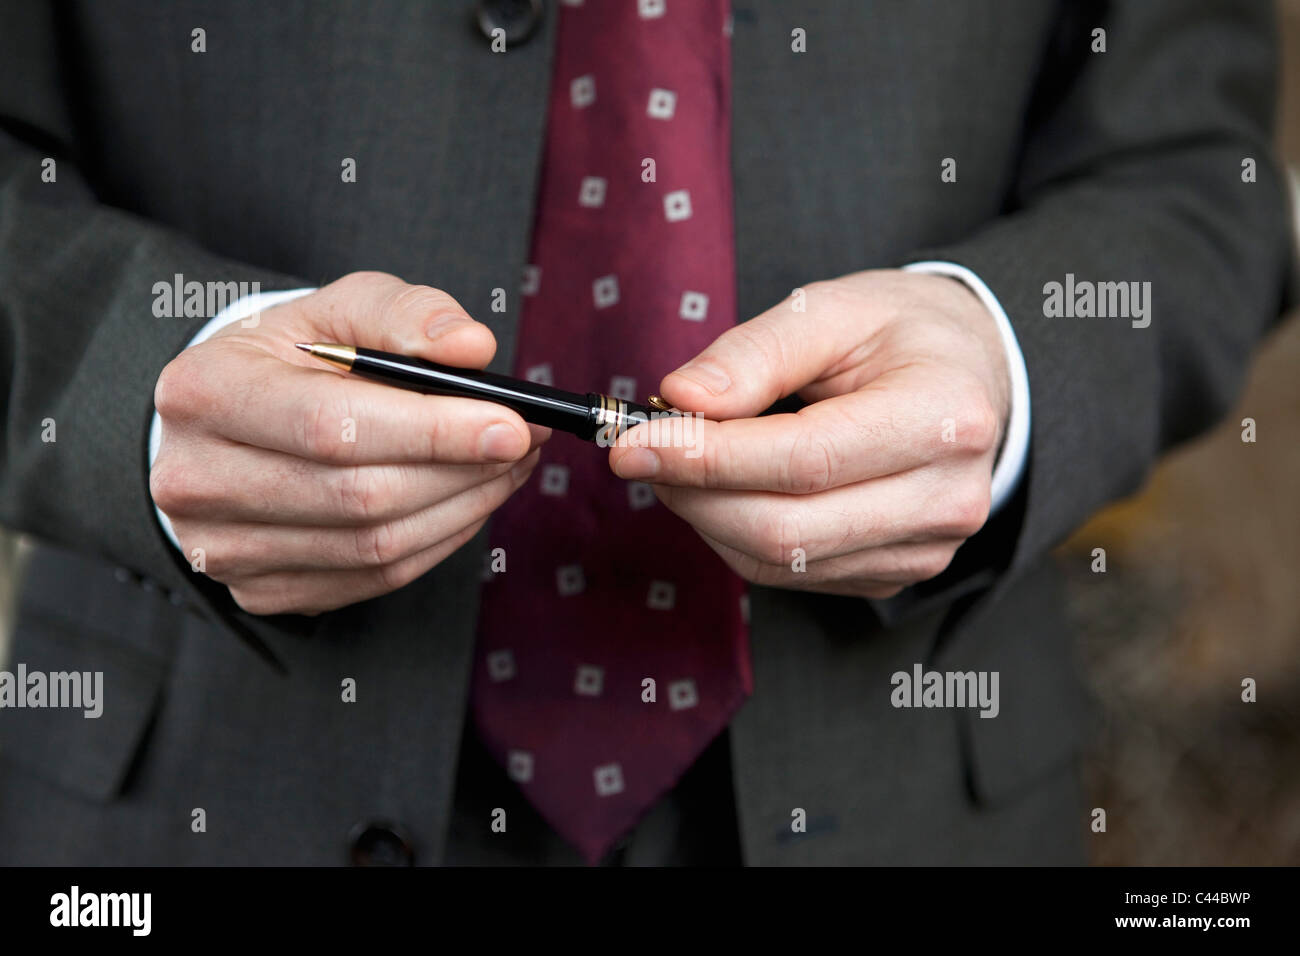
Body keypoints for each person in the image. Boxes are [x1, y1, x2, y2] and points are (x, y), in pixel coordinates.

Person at [0, 1, 1291, 866]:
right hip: (177, 806)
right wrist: (137, 374)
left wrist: (1016, 362)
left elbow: (1197, 176)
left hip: (924, 803)